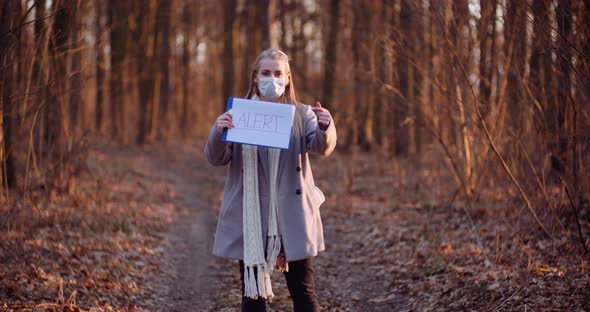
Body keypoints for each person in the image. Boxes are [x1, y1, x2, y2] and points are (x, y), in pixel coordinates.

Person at [205, 48, 337, 312]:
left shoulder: (301, 114)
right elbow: (216, 158)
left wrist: (326, 126)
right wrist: (218, 131)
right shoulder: (239, 115)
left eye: (278, 73)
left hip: (293, 214)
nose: (272, 79)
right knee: (252, 297)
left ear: (288, 78)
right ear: (255, 77)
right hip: (252, 216)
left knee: (303, 293)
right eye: (266, 73)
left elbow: (321, 148)